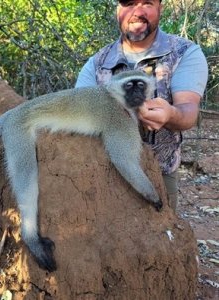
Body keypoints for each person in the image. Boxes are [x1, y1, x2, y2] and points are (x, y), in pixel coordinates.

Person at [75, 0, 208, 211]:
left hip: (159, 174)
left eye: (147, 3)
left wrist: (171, 114)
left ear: (160, 8)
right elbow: (80, 112)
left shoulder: (184, 52)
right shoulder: (97, 62)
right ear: (118, 10)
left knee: (157, 235)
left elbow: (188, 110)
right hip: (103, 174)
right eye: (128, 3)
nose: (137, 12)